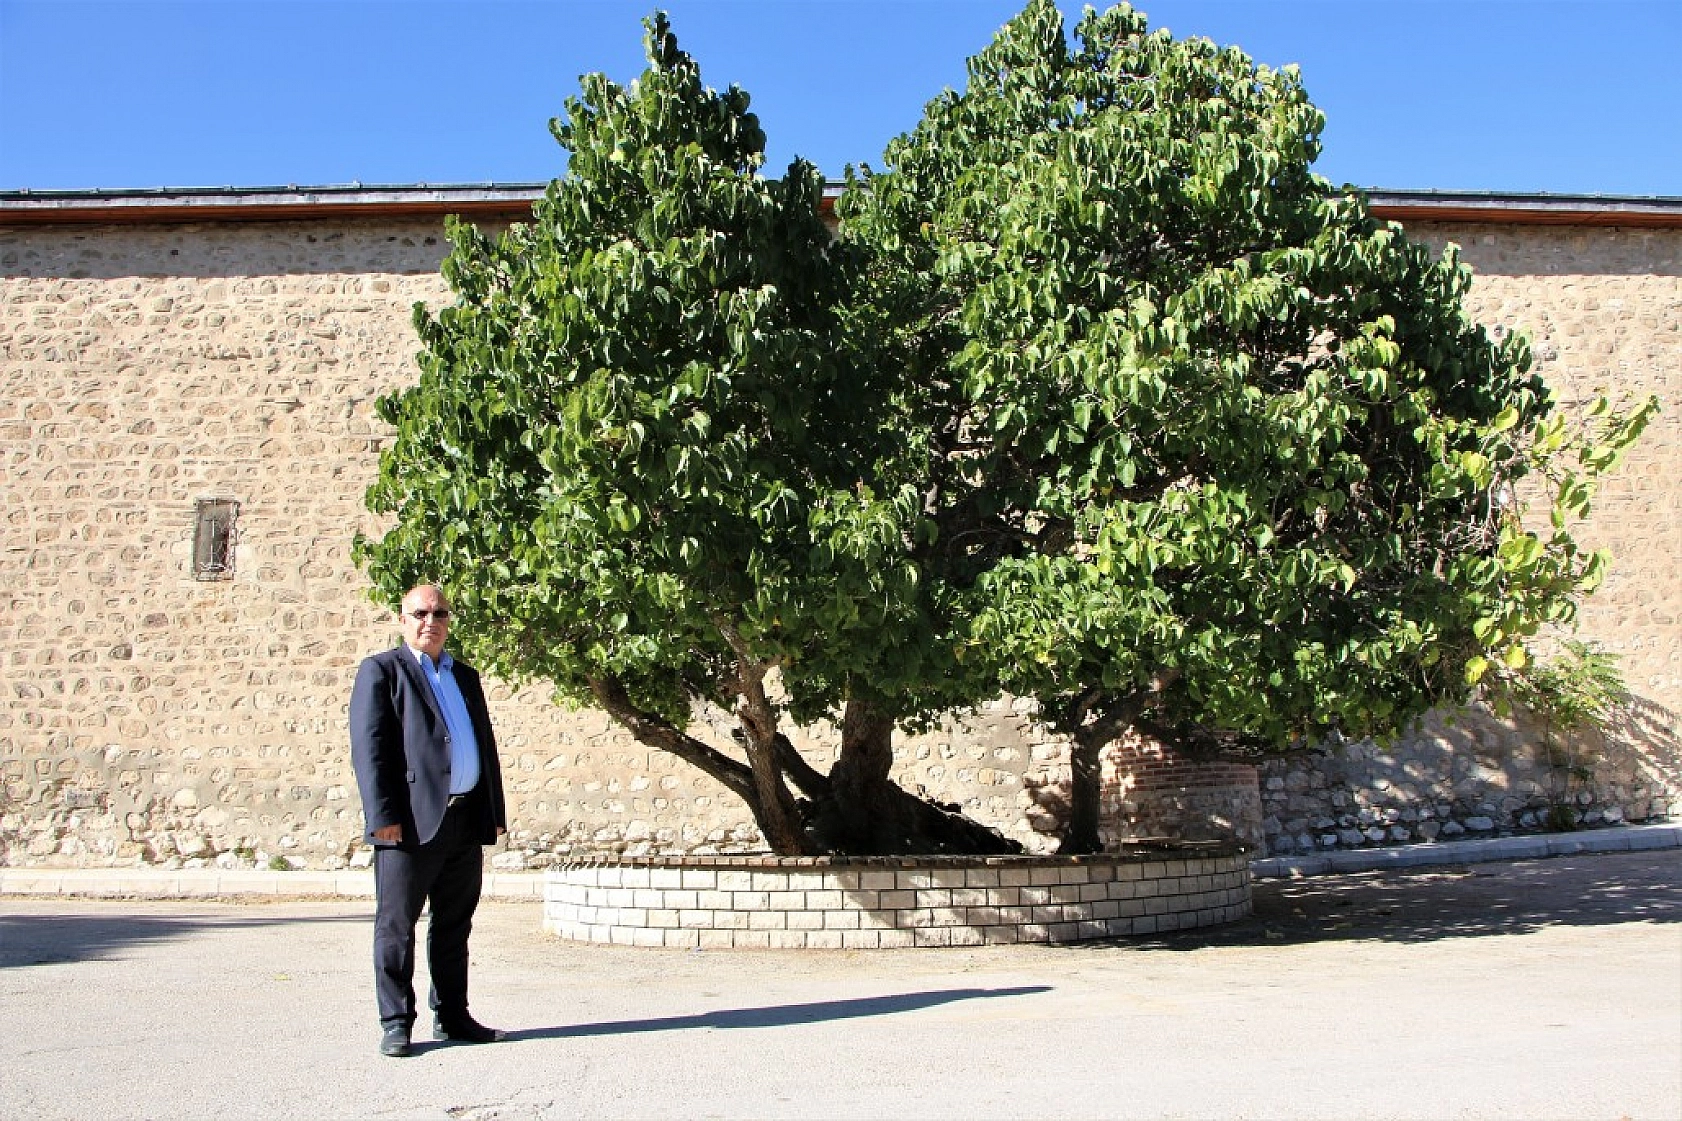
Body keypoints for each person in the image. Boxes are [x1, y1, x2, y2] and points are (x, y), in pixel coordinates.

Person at [349, 583, 508, 1058]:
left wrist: (492, 811)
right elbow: (370, 749)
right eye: (420, 613)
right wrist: (383, 817)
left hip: (462, 820)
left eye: (439, 613)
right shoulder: (382, 671)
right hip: (409, 824)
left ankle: (453, 1017)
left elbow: (483, 745)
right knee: (396, 926)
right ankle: (397, 1022)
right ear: (403, 619)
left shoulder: (464, 675)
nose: (430, 621)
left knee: (454, 924)